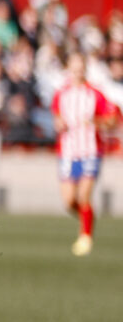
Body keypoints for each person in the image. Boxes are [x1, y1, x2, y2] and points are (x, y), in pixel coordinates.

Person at [52, 54, 117, 256]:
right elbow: (56, 117)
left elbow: (112, 120)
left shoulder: (95, 94)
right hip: (68, 152)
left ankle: (85, 236)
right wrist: (59, 123)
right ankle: (87, 218)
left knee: (83, 195)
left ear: (85, 70)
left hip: (90, 151)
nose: (77, 72)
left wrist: (96, 123)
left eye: (80, 68)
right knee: (69, 201)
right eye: (74, 68)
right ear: (69, 69)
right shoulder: (61, 94)